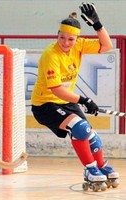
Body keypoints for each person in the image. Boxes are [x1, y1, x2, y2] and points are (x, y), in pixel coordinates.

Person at [31, 3, 119, 190]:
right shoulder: (50, 55)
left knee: (92, 137)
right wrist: (84, 100)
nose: (65, 43)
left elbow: (107, 45)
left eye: (70, 39)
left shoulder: (79, 46)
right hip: (45, 105)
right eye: (61, 38)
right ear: (57, 35)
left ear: (77, 39)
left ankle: (101, 167)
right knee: (80, 128)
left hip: (65, 103)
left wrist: (97, 24)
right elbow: (55, 89)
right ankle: (90, 169)